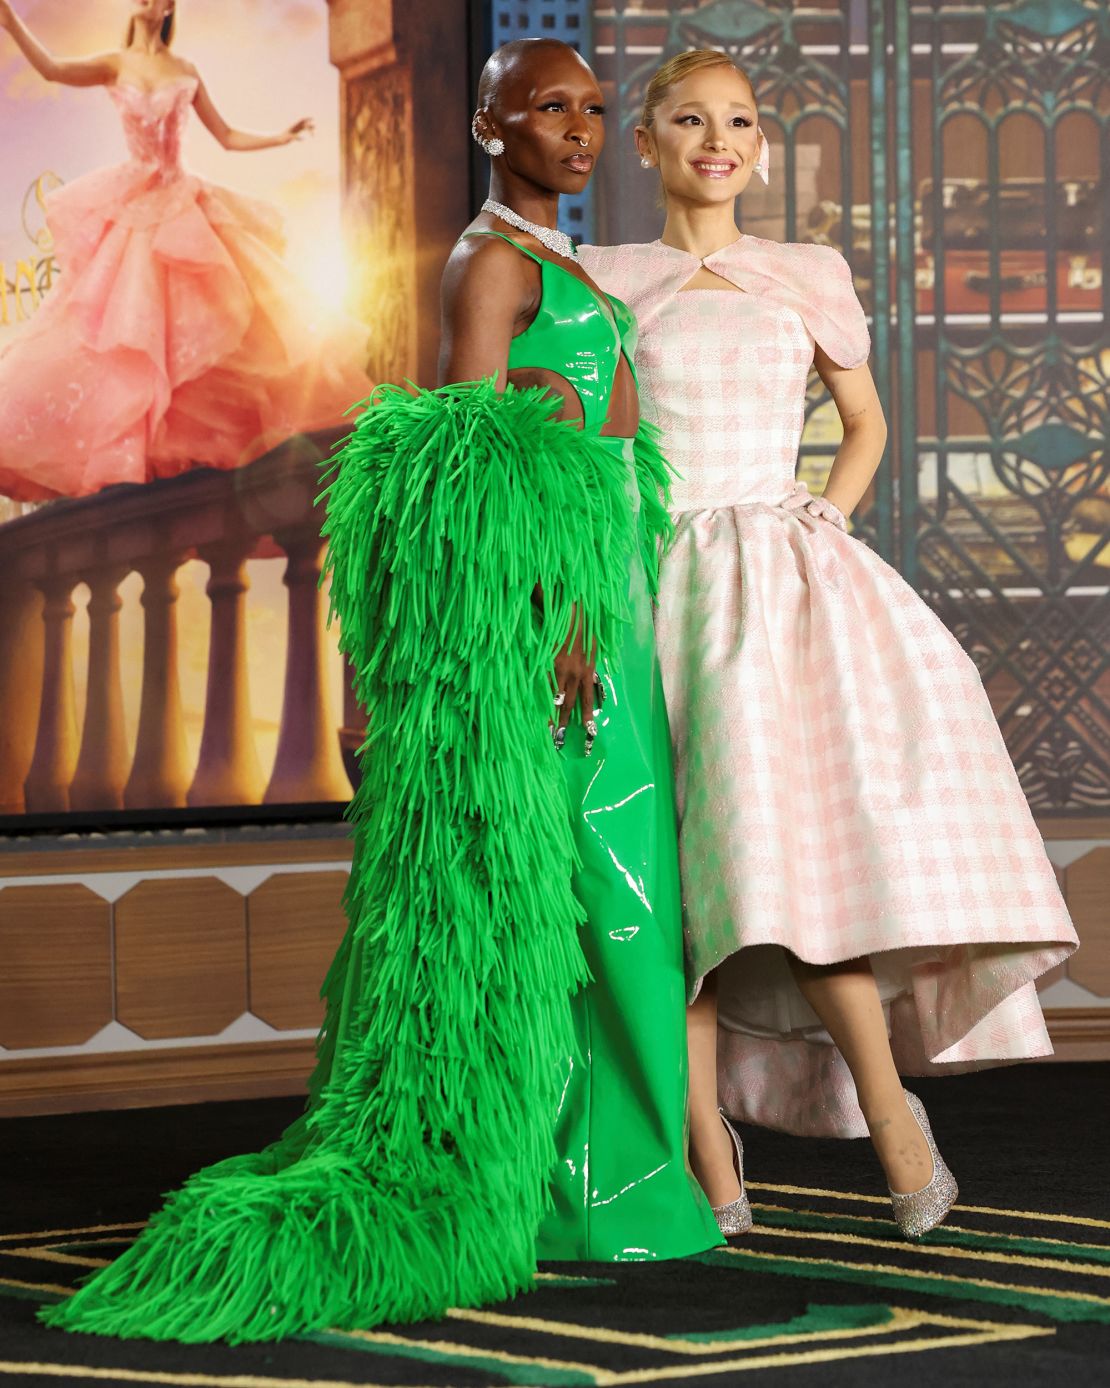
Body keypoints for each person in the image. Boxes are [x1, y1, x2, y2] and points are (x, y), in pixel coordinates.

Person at [39, 37, 717, 1346]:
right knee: (585, 899)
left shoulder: (560, 262)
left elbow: (578, 444)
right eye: (547, 108)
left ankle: (609, 1183)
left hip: (607, 612)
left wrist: (604, 590)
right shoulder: (494, 262)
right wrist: (553, 615)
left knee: (621, 899)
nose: (576, 130)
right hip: (551, 633)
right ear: (487, 123)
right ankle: (571, 1188)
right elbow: (472, 472)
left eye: (588, 110)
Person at [579, 49, 1078, 1241]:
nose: (718, 139)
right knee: (672, 885)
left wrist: (825, 515)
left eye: (739, 122)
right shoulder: (602, 276)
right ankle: (705, 1153)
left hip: (774, 583)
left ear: (757, 146)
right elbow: (590, 442)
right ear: (644, 143)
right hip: (650, 581)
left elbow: (867, 424)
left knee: (782, 868)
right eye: (690, 119)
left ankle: (894, 1112)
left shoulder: (805, 270)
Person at [0, 0, 368, 502]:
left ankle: (205, 457)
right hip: (133, 207)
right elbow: (51, 68)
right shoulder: (115, 63)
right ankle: (134, 457)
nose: (154, 3)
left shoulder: (184, 69)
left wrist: (281, 137)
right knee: (121, 330)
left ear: (170, 8)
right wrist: (11, 22)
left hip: (181, 204)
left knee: (221, 320)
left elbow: (228, 136)